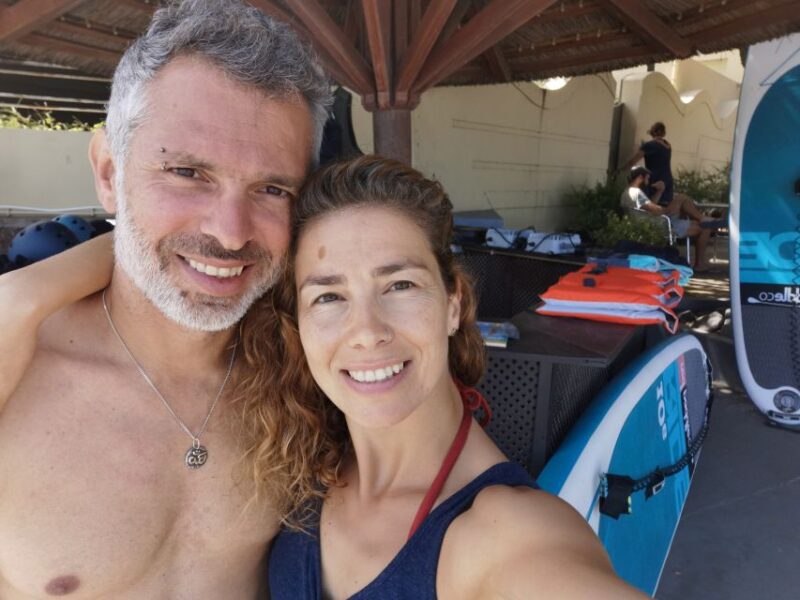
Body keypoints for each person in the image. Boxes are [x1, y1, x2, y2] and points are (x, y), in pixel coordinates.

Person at [0, 0, 333, 597]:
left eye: (272, 187)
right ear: (108, 172)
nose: (231, 232)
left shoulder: (310, 376)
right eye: (187, 173)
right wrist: (20, 299)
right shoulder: (15, 364)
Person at [261, 156, 646, 598]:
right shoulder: (299, 464)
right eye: (328, 296)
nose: (367, 332)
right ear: (299, 323)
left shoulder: (505, 533)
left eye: (400, 285)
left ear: (453, 303)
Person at [621, 166, 713, 270]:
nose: (648, 181)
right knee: (684, 200)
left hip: (655, 222)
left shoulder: (629, 192)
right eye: (647, 178)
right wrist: (671, 208)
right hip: (660, 225)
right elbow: (656, 210)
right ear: (640, 177)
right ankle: (703, 221)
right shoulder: (635, 192)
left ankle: (702, 219)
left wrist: (660, 191)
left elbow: (649, 207)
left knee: (693, 214)